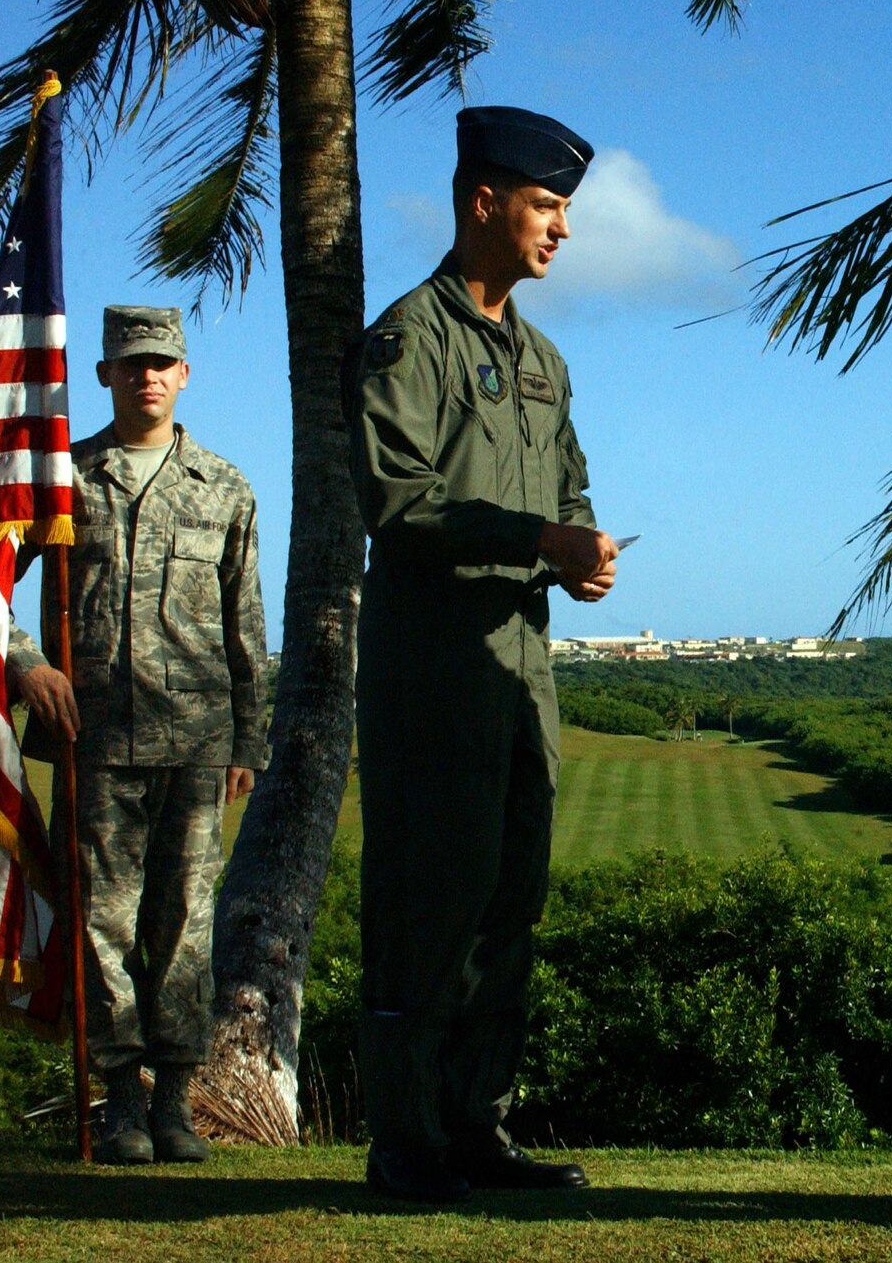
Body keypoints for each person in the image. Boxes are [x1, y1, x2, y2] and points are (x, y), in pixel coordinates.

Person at [345, 105, 616, 1203]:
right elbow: (397, 502)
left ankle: (476, 1129)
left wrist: (579, 553)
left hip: (519, 673)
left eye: (563, 210)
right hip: (432, 671)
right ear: (481, 202)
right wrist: (532, 539)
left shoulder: (542, 358)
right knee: (426, 902)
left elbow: (568, 486)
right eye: (547, 205)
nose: (561, 229)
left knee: (508, 900)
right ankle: (404, 1141)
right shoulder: (410, 336)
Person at [7, 305, 269, 1166]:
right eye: (129, 364)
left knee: (188, 926)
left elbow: (246, 625)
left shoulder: (225, 487)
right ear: (104, 376)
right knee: (102, 927)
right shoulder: (63, 481)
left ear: (184, 375)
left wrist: (247, 741)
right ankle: (120, 1100)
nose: (146, 376)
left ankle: (176, 1105)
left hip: (198, 743)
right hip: (96, 737)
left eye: (161, 362)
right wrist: (24, 665)